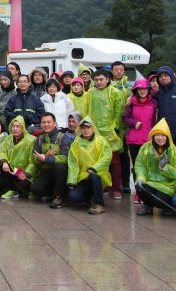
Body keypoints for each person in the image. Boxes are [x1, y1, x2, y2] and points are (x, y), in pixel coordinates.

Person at [84, 70, 125, 199]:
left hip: (111, 132)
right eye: (96, 80)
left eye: (101, 79)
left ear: (107, 79)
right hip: (95, 131)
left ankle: (117, 187)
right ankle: (104, 185)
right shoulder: (90, 93)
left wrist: (116, 128)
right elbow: (86, 110)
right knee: (99, 161)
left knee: (114, 162)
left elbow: (119, 112)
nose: (99, 82)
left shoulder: (115, 92)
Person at [133, 118, 176, 216]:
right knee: (140, 188)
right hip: (150, 181)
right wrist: (140, 178)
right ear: (152, 136)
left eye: (163, 135)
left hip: (167, 184)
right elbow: (140, 165)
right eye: (157, 135)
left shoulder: (173, 150)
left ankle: (167, 206)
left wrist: (164, 168)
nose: (160, 138)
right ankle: (147, 206)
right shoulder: (146, 148)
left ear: (167, 136)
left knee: (158, 201)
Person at [66, 116, 111, 215]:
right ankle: (90, 198)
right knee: (73, 197)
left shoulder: (101, 141)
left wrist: (95, 168)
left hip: (98, 176)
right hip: (83, 177)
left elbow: (106, 157)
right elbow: (73, 163)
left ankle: (100, 204)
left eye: (88, 127)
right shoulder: (76, 144)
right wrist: (72, 181)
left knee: (94, 177)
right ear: (80, 129)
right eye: (83, 128)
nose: (86, 130)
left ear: (93, 128)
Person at [28, 112, 72, 208]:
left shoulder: (63, 137)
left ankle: (59, 196)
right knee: (35, 189)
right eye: (43, 122)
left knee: (59, 166)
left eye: (49, 122)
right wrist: (42, 158)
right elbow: (34, 158)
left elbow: (66, 158)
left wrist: (47, 158)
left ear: (55, 123)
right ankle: (52, 194)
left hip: (62, 172)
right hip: (47, 171)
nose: (46, 125)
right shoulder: (39, 139)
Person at [122, 79, 156, 204]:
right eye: (140, 89)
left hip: (149, 140)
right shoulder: (131, 103)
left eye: (145, 89)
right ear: (136, 91)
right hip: (134, 140)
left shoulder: (154, 103)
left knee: (150, 167)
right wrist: (134, 123)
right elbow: (125, 118)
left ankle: (149, 192)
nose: (142, 91)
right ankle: (139, 193)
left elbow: (155, 121)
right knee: (137, 167)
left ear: (148, 90)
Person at [0, 116, 36, 200]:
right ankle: (13, 189)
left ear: (23, 127)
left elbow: (33, 161)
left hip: (24, 170)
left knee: (24, 184)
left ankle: (31, 191)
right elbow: (2, 151)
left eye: (18, 126)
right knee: (2, 166)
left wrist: (26, 173)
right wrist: (4, 162)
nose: (15, 129)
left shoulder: (31, 140)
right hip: (13, 169)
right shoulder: (8, 139)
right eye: (13, 126)